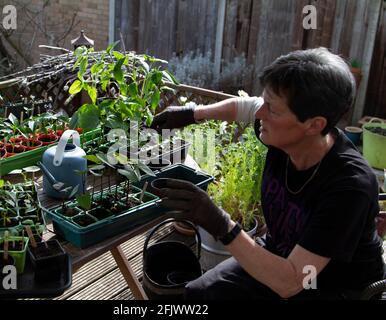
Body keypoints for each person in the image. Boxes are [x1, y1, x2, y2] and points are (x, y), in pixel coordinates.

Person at [150, 47, 385, 300]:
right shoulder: (285, 132)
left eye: (272, 109)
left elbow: (292, 281)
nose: (260, 114)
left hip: (331, 286)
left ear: (314, 124)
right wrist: (191, 114)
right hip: (281, 254)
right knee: (198, 293)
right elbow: (247, 106)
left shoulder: (349, 186)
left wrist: (220, 223)